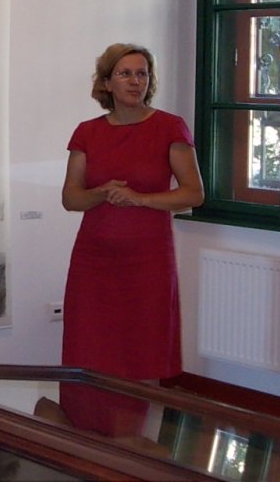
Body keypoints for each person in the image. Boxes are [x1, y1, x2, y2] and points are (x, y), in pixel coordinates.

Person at [59, 43, 204, 436]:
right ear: (107, 82)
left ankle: (135, 444)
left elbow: (194, 193)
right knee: (88, 349)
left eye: (142, 74)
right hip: (93, 262)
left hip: (148, 261)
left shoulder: (170, 127)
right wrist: (101, 192)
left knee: (142, 350)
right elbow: (71, 198)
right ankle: (85, 442)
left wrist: (141, 199)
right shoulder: (87, 132)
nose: (135, 81)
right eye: (125, 73)